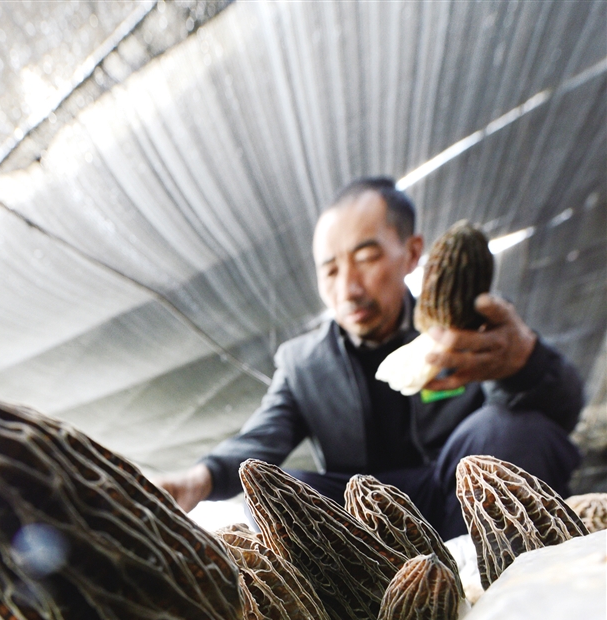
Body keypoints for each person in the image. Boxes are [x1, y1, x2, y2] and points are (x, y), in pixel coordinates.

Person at [157, 177, 583, 538]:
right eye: (330, 270)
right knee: (271, 495)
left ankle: (503, 581)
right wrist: (200, 478)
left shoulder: (469, 326)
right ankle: (363, 614)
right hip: (367, 526)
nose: (349, 288)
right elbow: (260, 440)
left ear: (412, 253)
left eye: (367, 258)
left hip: (461, 497)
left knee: (514, 428)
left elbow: (561, 409)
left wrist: (525, 361)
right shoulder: (303, 362)